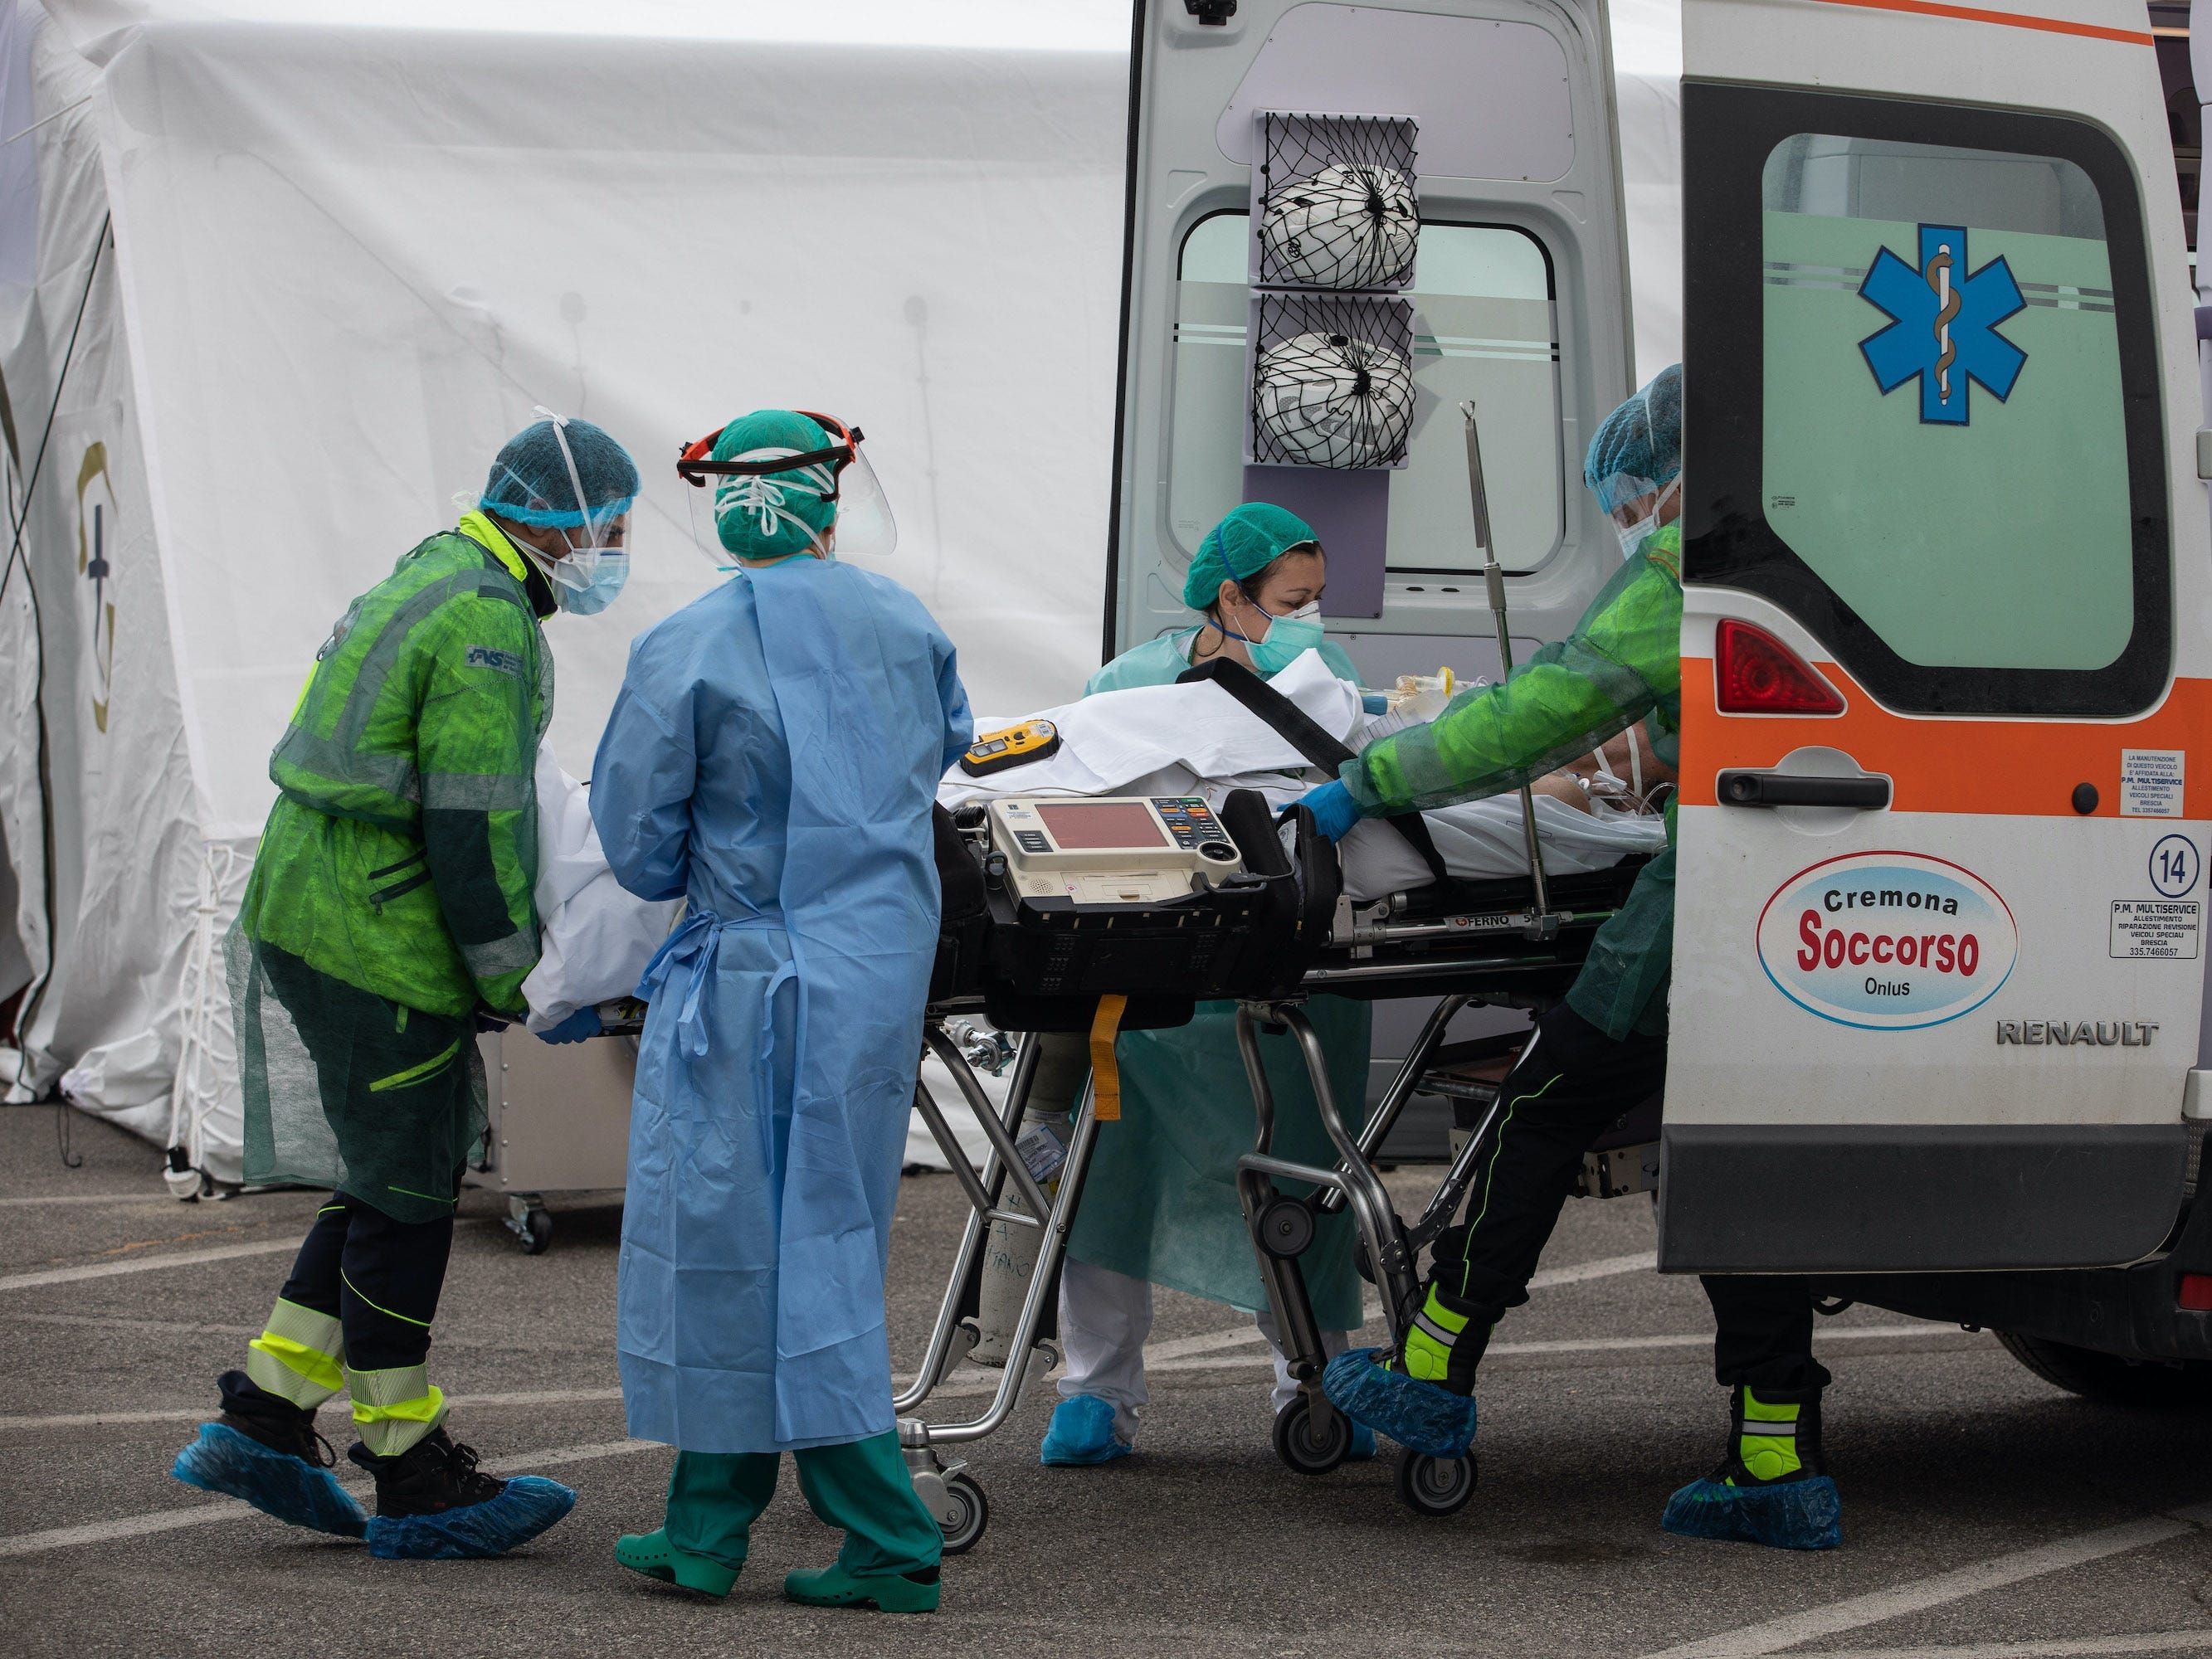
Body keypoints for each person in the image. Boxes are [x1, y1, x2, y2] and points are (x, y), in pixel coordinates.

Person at [1302, 367, 1842, 1553]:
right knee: (1741, 1159)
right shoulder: (1831, 530)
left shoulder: (1695, 557)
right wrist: (1648, 751)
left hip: (1709, 897)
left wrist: (1370, 781)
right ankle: (1775, 1462)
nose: (1631, 514)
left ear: (1666, 477)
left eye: (1633, 495)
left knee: (1541, 1104)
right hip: (1822, 899)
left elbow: (1540, 711)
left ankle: (1432, 1372)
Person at [173, 411, 640, 1559]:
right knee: (408, 1198)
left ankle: (270, 1413)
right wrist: (517, 977)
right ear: (558, 520)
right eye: (612, 528)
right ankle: (411, 1468)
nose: (615, 551)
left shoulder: (438, 569)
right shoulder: (485, 621)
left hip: (319, 905)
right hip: (370, 932)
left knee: (394, 1166)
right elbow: (471, 822)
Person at [593, 410, 971, 1612]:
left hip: (749, 981)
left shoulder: (688, 643)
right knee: (814, 1244)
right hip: (871, 976)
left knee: (740, 1249)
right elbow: (949, 752)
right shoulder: (905, 622)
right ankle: (703, 1529)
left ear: (722, 506)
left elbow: (640, 845)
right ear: (828, 499)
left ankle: (886, 1537)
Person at [1035, 502, 1380, 1467]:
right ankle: (1093, 1393)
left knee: (1298, 1175)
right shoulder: (1128, 682)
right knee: (1109, 1175)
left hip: (1286, 957)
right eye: (1292, 600)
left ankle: (1310, 1379)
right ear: (1229, 595)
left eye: (1316, 599)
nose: (1310, 620)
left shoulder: (1328, 677)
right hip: (1155, 965)